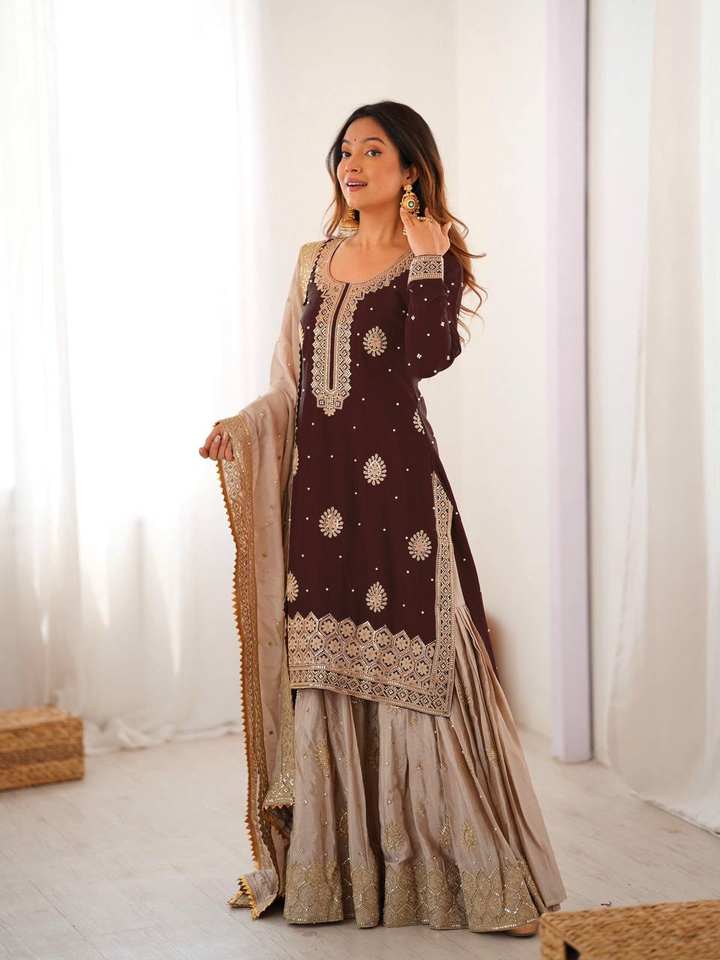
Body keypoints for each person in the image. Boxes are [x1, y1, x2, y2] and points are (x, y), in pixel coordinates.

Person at [199, 100, 567, 938]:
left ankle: (470, 875)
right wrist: (243, 427)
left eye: (372, 151)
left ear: (409, 170)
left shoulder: (427, 256)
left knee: (428, 672)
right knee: (328, 666)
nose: (352, 164)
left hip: (399, 494)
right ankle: (339, 875)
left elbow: (429, 358)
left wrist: (431, 260)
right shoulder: (313, 261)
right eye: (344, 151)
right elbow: (291, 386)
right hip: (321, 495)